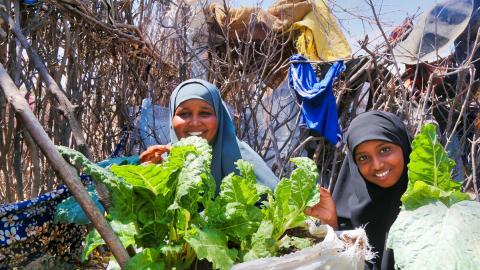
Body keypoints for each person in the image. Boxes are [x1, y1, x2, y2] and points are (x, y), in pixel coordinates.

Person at [306, 111, 412, 270]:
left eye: (384, 150)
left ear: (403, 147)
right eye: (363, 158)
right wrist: (329, 223)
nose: (377, 165)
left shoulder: (435, 207)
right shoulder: (348, 215)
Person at [140, 78, 279, 193]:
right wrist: (148, 178)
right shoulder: (162, 160)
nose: (194, 123)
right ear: (171, 119)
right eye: (184, 114)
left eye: (205, 113)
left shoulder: (240, 158)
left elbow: (282, 208)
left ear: (219, 117)